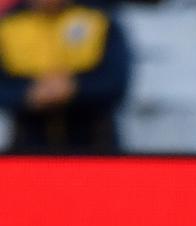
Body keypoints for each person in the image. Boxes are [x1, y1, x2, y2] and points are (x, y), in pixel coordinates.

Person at [0, 0, 130, 153]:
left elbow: (115, 81)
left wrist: (75, 88)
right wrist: (28, 93)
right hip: (29, 144)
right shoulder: (8, 24)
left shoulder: (99, 18)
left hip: (95, 142)